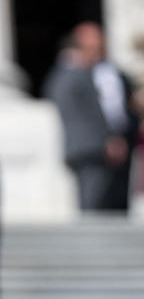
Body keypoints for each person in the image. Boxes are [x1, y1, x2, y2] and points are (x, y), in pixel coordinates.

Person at [43, 21, 140, 212]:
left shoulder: (111, 75)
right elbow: (81, 111)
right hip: (91, 151)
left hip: (120, 150)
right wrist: (106, 140)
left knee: (118, 207)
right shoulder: (70, 74)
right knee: (94, 208)